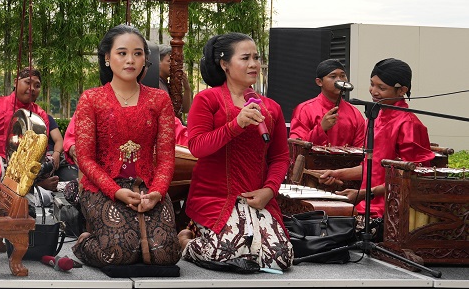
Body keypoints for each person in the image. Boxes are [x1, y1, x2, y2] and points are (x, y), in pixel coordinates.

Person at [179, 32, 293, 272]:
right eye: (245, 58)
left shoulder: (271, 108)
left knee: (281, 257)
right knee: (226, 252)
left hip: (257, 196)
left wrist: (269, 190)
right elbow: (197, 147)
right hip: (216, 197)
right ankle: (186, 241)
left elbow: (280, 157)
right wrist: (235, 125)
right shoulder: (207, 99)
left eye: (256, 57)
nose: (254, 64)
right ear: (224, 64)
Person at [71, 24, 181, 268]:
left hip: (148, 186)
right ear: (107, 58)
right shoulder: (91, 99)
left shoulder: (160, 99)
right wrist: (115, 191)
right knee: (119, 251)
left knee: (166, 254)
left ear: (145, 60)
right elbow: (85, 159)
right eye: (122, 53)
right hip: (102, 188)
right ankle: (84, 242)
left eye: (137, 53)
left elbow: (166, 159)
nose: (130, 60)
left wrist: (157, 192)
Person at [318, 58, 435, 227]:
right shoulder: (376, 118)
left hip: (391, 212)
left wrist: (366, 193)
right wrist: (338, 174)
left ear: (402, 90)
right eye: (372, 84)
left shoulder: (409, 124)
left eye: (382, 88)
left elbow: (412, 178)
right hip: (366, 206)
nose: (373, 91)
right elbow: (372, 168)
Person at [0, 67, 50, 161]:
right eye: (28, 82)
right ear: (15, 82)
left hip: (24, 165)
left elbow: (40, 149)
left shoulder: (40, 115)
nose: (32, 88)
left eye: (37, 86)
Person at [289, 58, 367, 147]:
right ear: (319, 82)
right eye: (333, 76)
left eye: (342, 76)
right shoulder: (305, 110)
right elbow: (296, 146)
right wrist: (321, 128)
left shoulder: (355, 114)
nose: (340, 80)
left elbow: (360, 148)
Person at [158, 44, 193, 114]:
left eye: (176, 61)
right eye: (169, 61)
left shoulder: (170, 84)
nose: (174, 64)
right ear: (159, 62)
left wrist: (187, 88)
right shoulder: (156, 83)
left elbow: (185, 109)